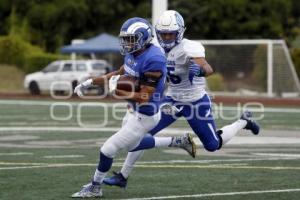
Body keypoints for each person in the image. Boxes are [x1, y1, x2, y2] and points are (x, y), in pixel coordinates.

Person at [103, 10, 260, 188]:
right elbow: (133, 62)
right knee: (139, 135)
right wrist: (117, 76)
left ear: (180, 32)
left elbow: (208, 68)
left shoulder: (189, 47)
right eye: (164, 34)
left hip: (195, 102)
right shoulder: (153, 46)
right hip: (172, 100)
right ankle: (123, 176)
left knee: (212, 145)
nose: (168, 37)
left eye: (171, 33)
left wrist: (200, 70)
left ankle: (243, 122)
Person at [71, 17, 168, 198]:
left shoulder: (154, 59)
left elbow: (145, 97)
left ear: (143, 37)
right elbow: (117, 74)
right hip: (132, 111)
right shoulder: (134, 51)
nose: (126, 43)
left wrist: (118, 92)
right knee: (133, 145)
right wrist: (90, 82)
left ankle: (95, 187)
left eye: (130, 39)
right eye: (125, 38)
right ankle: (177, 141)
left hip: (145, 115)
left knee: (108, 149)